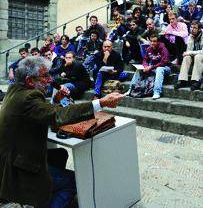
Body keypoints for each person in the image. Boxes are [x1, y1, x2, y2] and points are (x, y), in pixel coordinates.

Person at [0, 56, 124, 207]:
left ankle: (45, 196)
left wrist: (56, 101)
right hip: (18, 167)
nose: (50, 80)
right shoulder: (29, 97)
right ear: (29, 80)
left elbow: (40, 111)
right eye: (45, 76)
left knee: (60, 154)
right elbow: (56, 116)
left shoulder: (15, 90)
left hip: (11, 157)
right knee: (73, 181)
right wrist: (101, 102)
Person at [127, 34, 171, 99]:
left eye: (154, 41)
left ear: (158, 42)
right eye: (151, 41)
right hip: (153, 67)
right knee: (139, 69)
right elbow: (145, 59)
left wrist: (151, 67)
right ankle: (130, 89)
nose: (152, 43)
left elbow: (163, 62)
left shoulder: (164, 49)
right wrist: (145, 66)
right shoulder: (149, 49)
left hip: (165, 68)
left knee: (159, 69)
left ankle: (157, 92)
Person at [174, 21, 203, 91]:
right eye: (191, 27)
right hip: (195, 56)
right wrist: (188, 53)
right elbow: (188, 51)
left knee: (198, 56)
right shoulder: (190, 36)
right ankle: (183, 80)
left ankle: (195, 81)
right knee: (187, 57)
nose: (192, 29)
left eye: (195, 28)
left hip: (200, 56)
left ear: (199, 29)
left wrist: (190, 52)